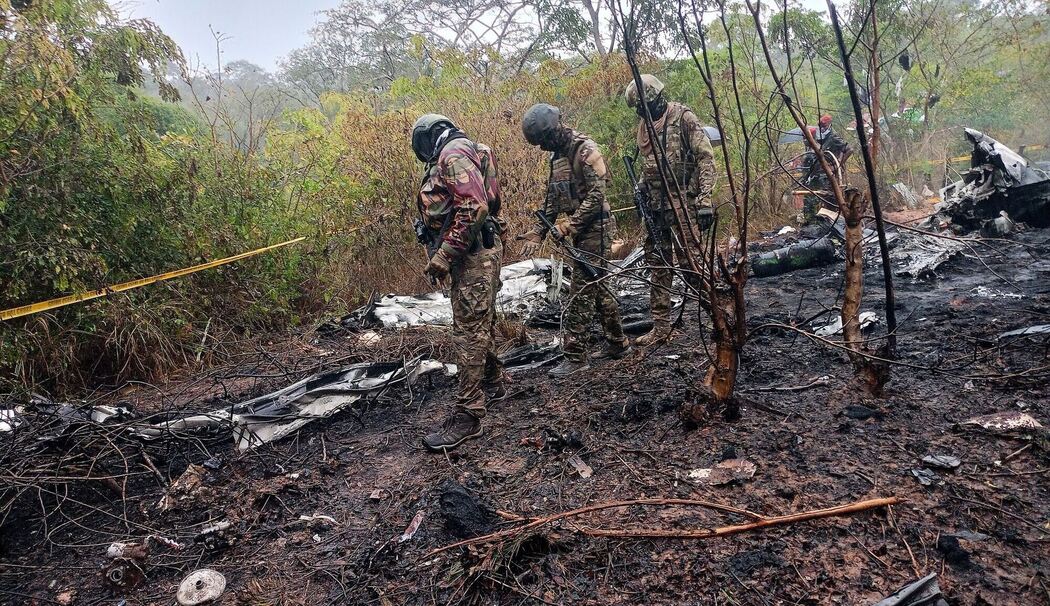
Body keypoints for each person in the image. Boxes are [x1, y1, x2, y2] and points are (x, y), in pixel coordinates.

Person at [411, 113, 507, 452]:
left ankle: (469, 415)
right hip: (481, 251)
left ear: (427, 137)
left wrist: (443, 255)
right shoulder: (472, 149)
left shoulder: (452, 154)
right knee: (480, 323)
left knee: (467, 332)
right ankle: (494, 381)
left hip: (472, 255)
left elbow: (475, 207)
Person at [517, 103, 631, 377]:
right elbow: (552, 198)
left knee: (581, 290)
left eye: (543, 141)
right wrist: (538, 230)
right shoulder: (556, 157)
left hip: (596, 228)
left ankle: (576, 355)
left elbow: (597, 196)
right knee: (599, 286)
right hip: (580, 230)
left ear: (554, 131)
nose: (542, 147)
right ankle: (618, 343)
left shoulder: (586, 149)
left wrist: (569, 225)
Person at [624, 74, 716, 347]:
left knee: (692, 265)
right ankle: (662, 327)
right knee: (659, 267)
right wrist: (640, 188)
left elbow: (705, 159)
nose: (642, 112)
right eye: (639, 109)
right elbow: (648, 166)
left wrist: (705, 200)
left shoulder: (683, 118)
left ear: (657, 99)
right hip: (656, 207)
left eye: (644, 106)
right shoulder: (644, 127)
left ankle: (716, 317)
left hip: (683, 205)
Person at [801, 114, 853, 224]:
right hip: (822, 172)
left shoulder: (834, 137)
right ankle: (819, 220)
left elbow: (849, 150)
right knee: (819, 196)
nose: (822, 128)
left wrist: (838, 164)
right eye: (820, 126)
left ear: (829, 125)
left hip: (831, 173)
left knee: (830, 197)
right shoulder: (823, 138)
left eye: (823, 126)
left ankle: (832, 221)